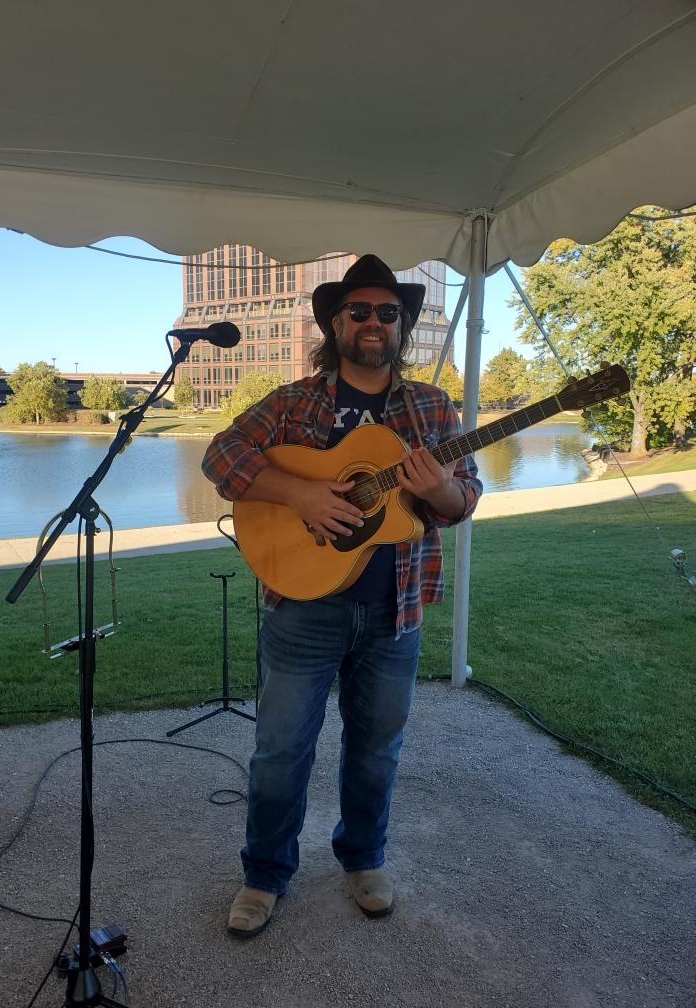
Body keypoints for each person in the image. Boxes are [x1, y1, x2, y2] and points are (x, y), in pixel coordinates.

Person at [202, 254, 482, 939]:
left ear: (403, 326)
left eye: (388, 313)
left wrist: (434, 487)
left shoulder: (431, 408)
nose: (374, 323)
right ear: (336, 321)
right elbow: (222, 457)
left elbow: (464, 498)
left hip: (396, 611)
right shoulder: (296, 401)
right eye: (359, 310)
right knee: (279, 749)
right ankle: (264, 873)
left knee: (377, 748)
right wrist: (298, 492)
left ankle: (363, 860)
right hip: (304, 606)